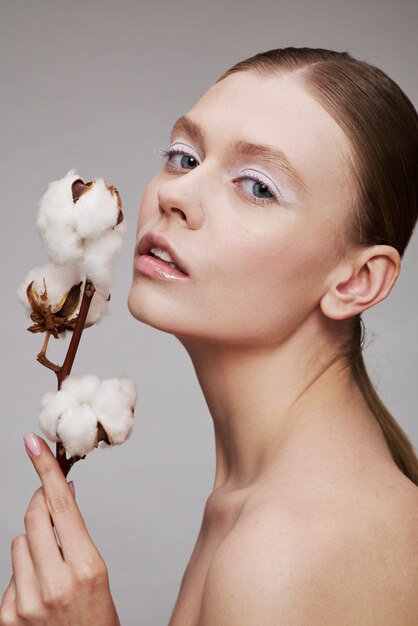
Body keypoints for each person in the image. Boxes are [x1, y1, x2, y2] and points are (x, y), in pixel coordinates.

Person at [1, 47, 417, 625]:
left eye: (258, 187)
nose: (175, 195)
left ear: (358, 280)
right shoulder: (264, 501)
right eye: (183, 156)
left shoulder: (289, 548)